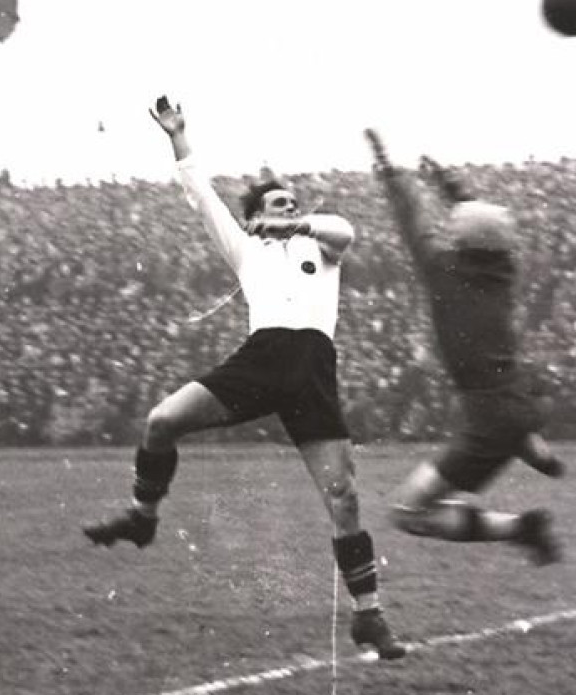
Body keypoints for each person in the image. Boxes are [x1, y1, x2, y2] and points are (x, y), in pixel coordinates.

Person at [83, 96, 407, 660]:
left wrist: (297, 219)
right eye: (278, 202)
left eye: (294, 202)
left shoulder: (319, 248)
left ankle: (368, 616)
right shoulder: (248, 249)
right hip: (260, 360)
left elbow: (346, 230)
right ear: (258, 212)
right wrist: (177, 136)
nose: (289, 207)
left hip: (310, 367)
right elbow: (200, 196)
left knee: (344, 498)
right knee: (161, 422)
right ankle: (143, 517)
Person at [365, 130, 563, 565]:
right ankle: (529, 444)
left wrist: (387, 167)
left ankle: (522, 526)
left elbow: (409, 216)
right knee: (499, 422)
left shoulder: (442, 271)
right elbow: (477, 218)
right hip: (516, 394)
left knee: (408, 512)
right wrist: (447, 183)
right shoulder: (505, 270)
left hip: (489, 415)